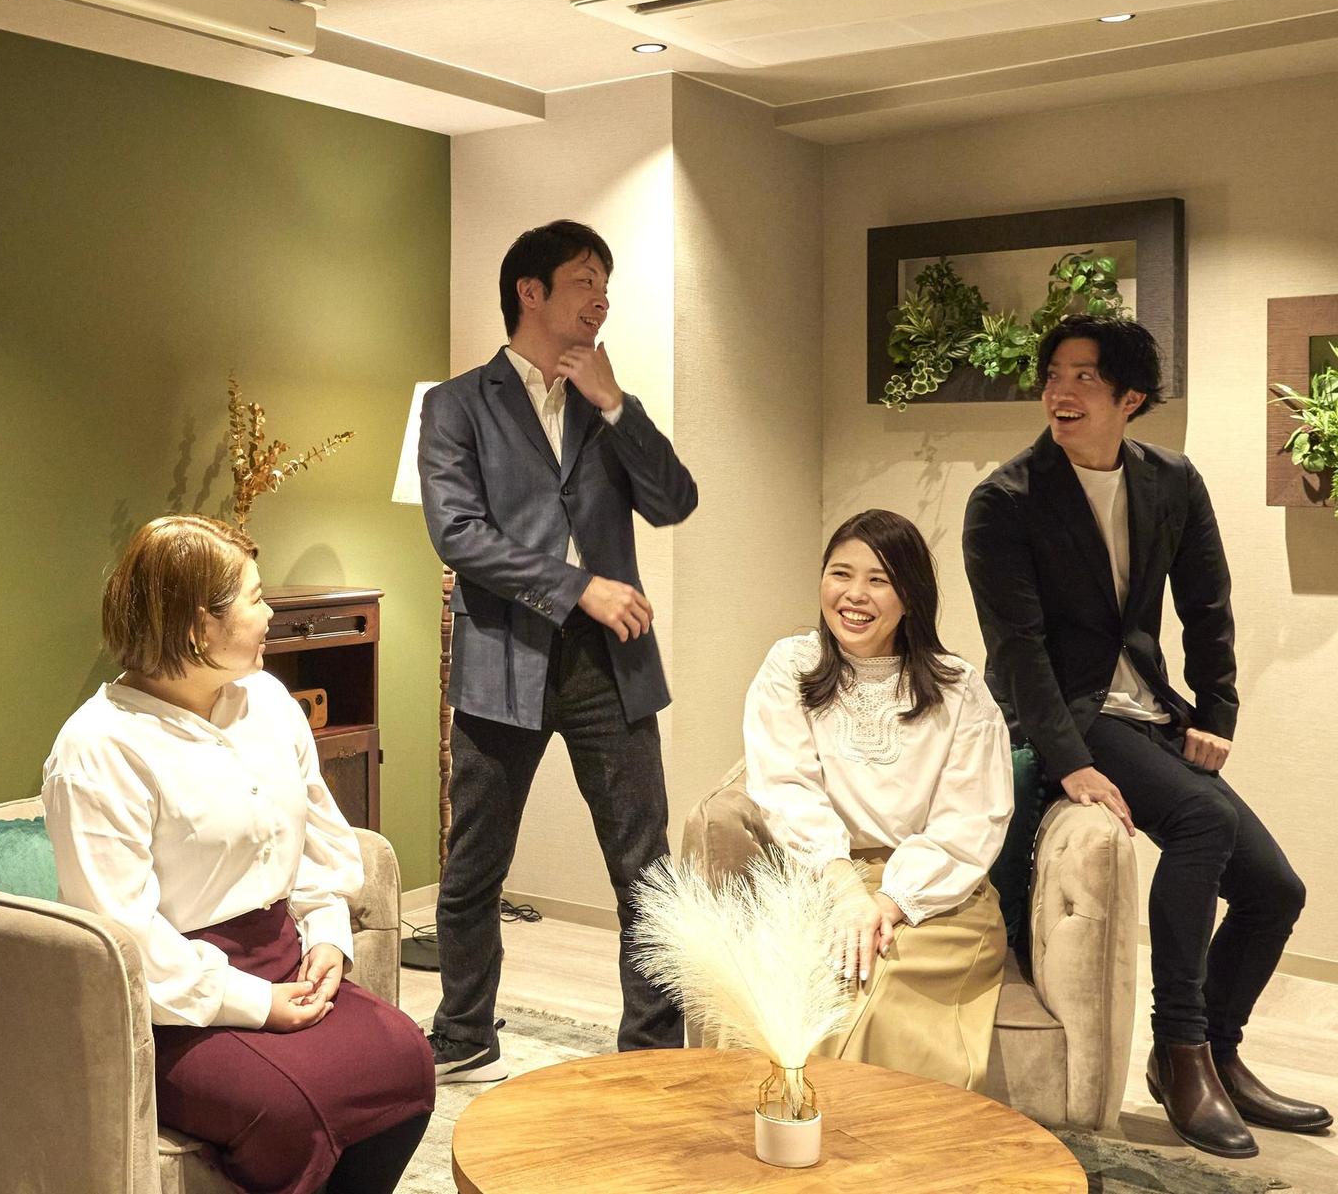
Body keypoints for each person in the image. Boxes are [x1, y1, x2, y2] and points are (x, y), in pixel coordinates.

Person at [963, 315, 1326, 1158]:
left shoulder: (1170, 480)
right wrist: (1071, 761)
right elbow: (1017, 651)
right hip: (1066, 709)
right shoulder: (1005, 500)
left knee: (1276, 890)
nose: (1060, 391)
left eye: (1083, 376)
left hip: (1148, 706)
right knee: (1203, 818)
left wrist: (1217, 713)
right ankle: (1180, 1045)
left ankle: (1219, 1051)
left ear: (1130, 398)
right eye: (1053, 374)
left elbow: (1208, 604)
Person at [44, 516, 433, 1194]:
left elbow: (316, 837)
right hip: (172, 1008)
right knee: (289, 1110)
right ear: (200, 626)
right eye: (255, 597)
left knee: (406, 1059)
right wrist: (253, 1001)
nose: (270, 611)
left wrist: (328, 936)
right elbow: (125, 933)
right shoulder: (99, 749)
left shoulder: (269, 702)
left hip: (286, 958)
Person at [417, 219, 699, 1081]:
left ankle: (652, 1051)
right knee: (474, 864)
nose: (601, 298)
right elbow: (458, 533)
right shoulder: (457, 404)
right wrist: (578, 586)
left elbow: (675, 500)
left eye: (606, 283)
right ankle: (464, 1032)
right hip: (505, 655)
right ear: (529, 291)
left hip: (612, 661)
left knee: (644, 866)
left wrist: (617, 405)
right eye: (585, 279)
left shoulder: (604, 403)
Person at [681, 509, 1012, 1089]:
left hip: (937, 896)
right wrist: (845, 892)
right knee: (802, 990)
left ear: (910, 596)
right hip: (822, 879)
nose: (855, 595)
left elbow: (970, 818)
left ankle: (884, 1133)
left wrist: (888, 901)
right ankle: (780, 1126)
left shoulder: (958, 686)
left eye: (879, 580)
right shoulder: (792, 665)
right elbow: (787, 787)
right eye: (841, 574)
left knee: (877, 987)